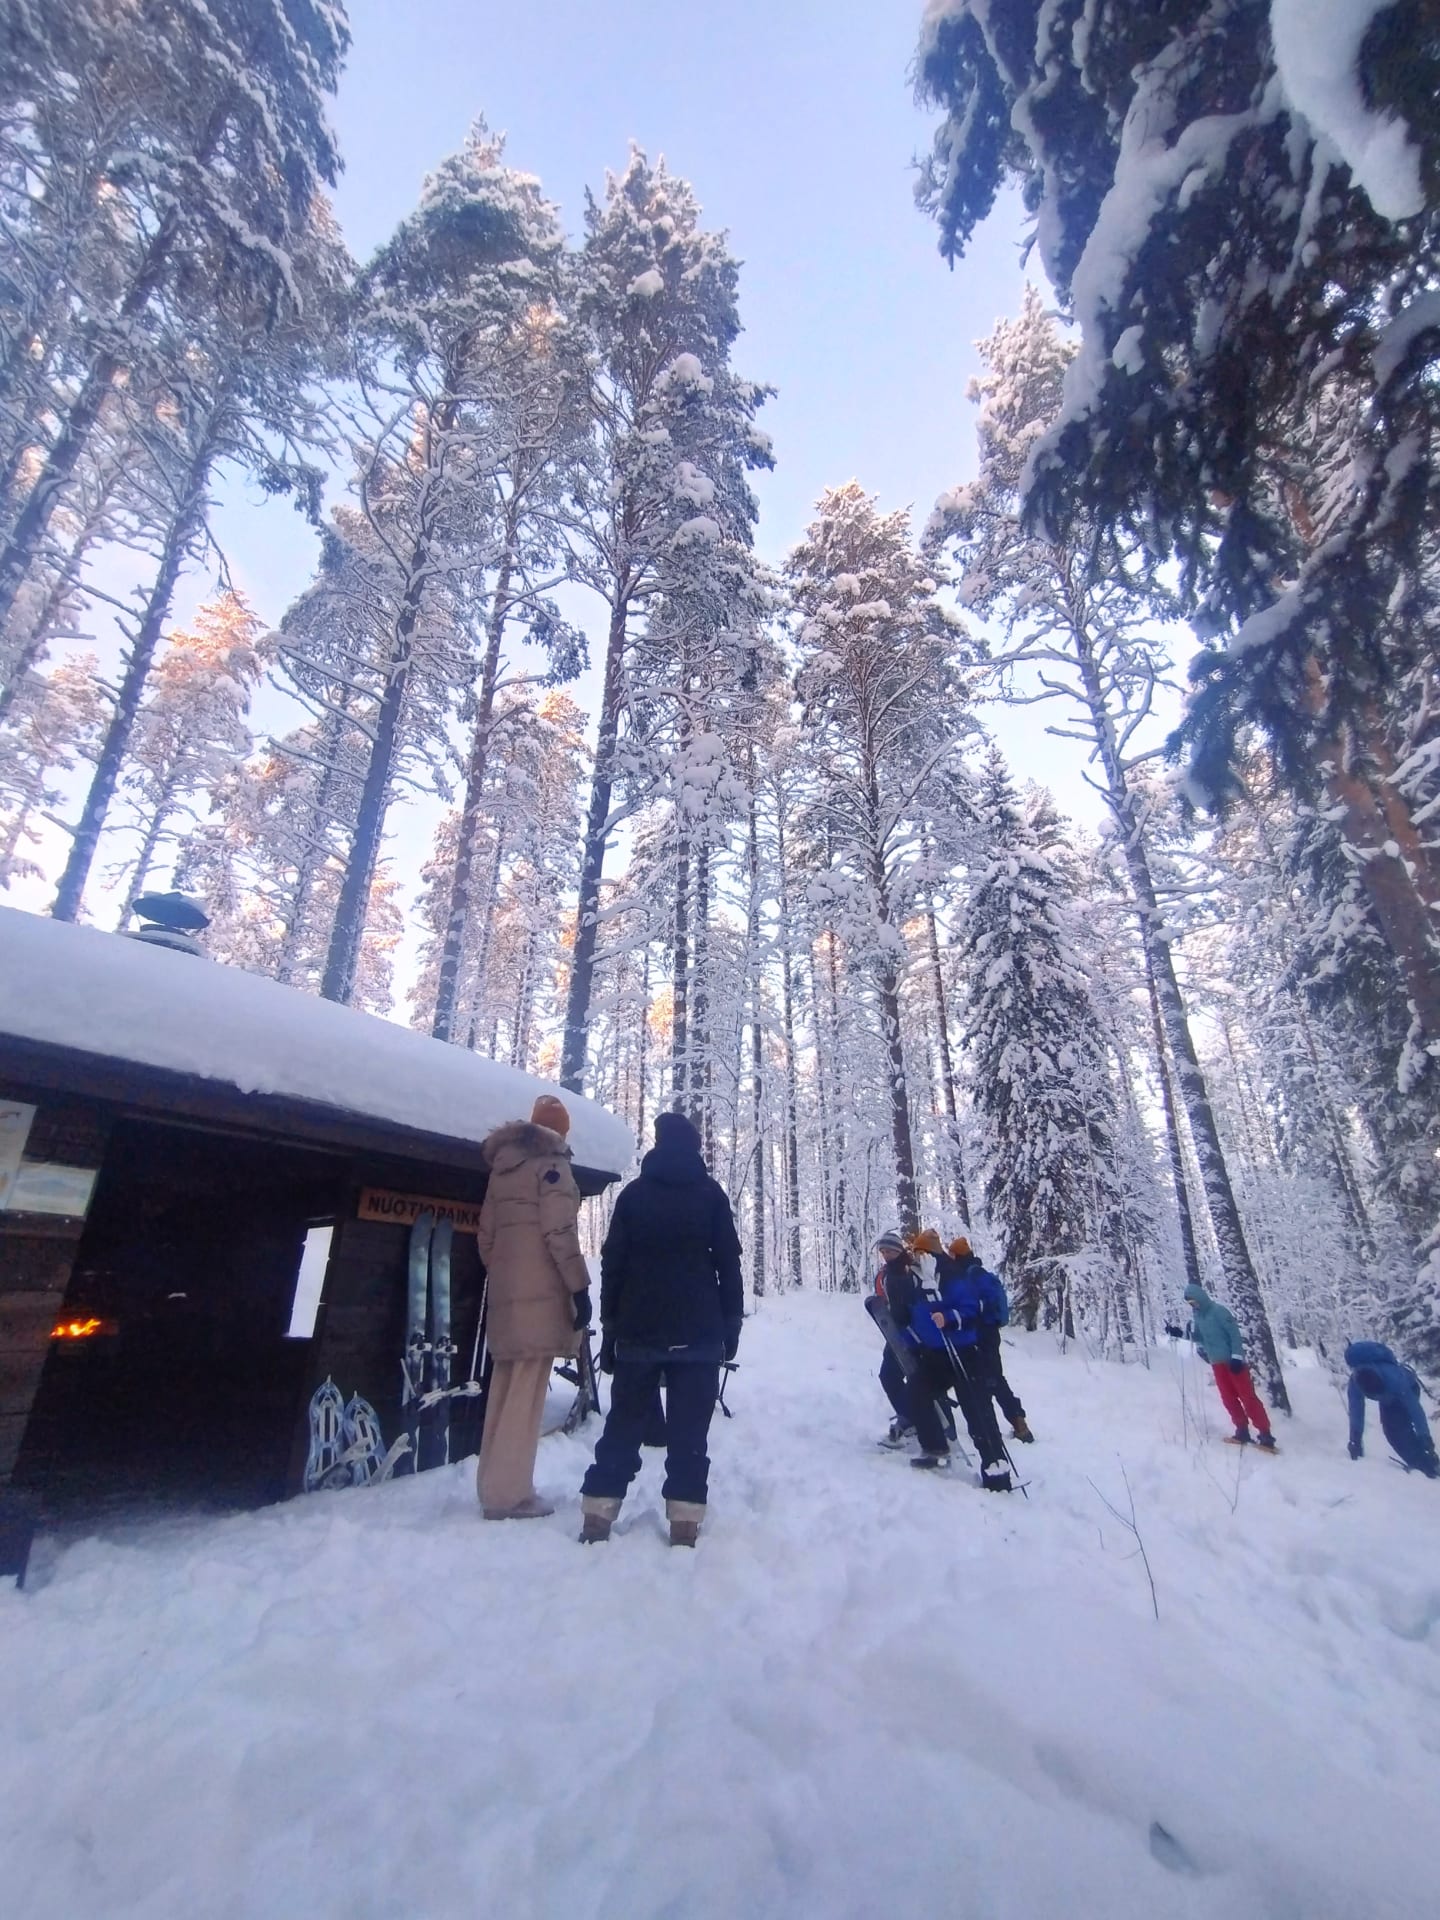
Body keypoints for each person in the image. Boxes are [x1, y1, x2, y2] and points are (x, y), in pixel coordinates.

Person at [579, 1110, 743, 1547]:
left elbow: (613, 1265)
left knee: (624, 1426)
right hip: (700, 1332)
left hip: (638, 1328)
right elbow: (729, 1265)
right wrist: (731, 1326)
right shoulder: (711, 1196)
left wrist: (610, 1325)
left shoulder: (633, 1196)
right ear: (693, 1146)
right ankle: (685, 1524)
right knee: (690, 1433)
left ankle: (598, 1512)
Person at [474, 1095, 592, 1520]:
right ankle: (509, 1495)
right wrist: (578, 1287)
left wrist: (509, 1277)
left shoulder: (502, 1171)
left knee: (504, 1393)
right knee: (525, 1399)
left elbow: (485, 1238)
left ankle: (493, 1486)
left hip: (506, 1298)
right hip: (541, 1299)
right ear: (559, 1132)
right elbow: (559, 1232)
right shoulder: (552, 1167)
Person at [892, 1228, 1012, 1491]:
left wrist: (949, 1318)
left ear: (932, 1252)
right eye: (916, 1252)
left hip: (965, 1353)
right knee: (915, 1394)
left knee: (978, 1413)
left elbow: (971, 1309)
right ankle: (935, 1446)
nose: (917, 1257)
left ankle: (996, 1470)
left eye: (921, 1251)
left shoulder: (952, 1276)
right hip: (936, 1356)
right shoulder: (917, 1279)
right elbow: (917, 1316)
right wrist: (908, 1338)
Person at [949, 1237, 1033, 1443]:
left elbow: (971, 1307)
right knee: (995, 1378)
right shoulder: (981, 1273)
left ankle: (1003, 1427)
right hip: (991, 1332)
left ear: (957, 1256)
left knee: (988, 1381)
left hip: (980, 1334)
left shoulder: (967, 1276)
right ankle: (1018, 1422)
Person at [1183, 1281, 1276, 1450]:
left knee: (1247, 1397)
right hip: (1217, 1363)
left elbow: (1234, 1334)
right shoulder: (1198, 1317)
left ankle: (1265, 1434)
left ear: (1200, 1298)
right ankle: (1242, 1431)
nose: (1193, 1305)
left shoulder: (1218, 1311)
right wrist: (1182, 1333)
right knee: (1228, 1399)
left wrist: (1237, 1356)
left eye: (1193, 1301)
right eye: (1190, 1303)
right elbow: (1200, 1338)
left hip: (1234, 1363)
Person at [1344, 1340, 1439, 1477]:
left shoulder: (1395, 1380)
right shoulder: (1355, 1383)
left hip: (1408, 1389)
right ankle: (1421, 1464)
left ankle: (1427, 1464)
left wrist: (1425, 1437)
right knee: (1391, 1432)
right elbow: (1356, 1412)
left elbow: (1415, 1411)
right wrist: (1355, 1440)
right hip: (1389, 1398)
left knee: (1400, 1429)